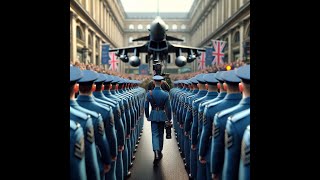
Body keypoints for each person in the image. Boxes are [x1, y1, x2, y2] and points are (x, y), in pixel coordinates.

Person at [144, 75, 172, 165]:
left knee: (155, 134)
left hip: (153, 115)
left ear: (153, 82)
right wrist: (169, 118)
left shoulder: (149, 94)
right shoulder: (165, 94)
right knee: (161, 134)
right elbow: (168, 108)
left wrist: (147, 115)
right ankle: (159, 151)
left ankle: (156, 151)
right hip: (162, 115)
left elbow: (145, 106)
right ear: (162, 82)